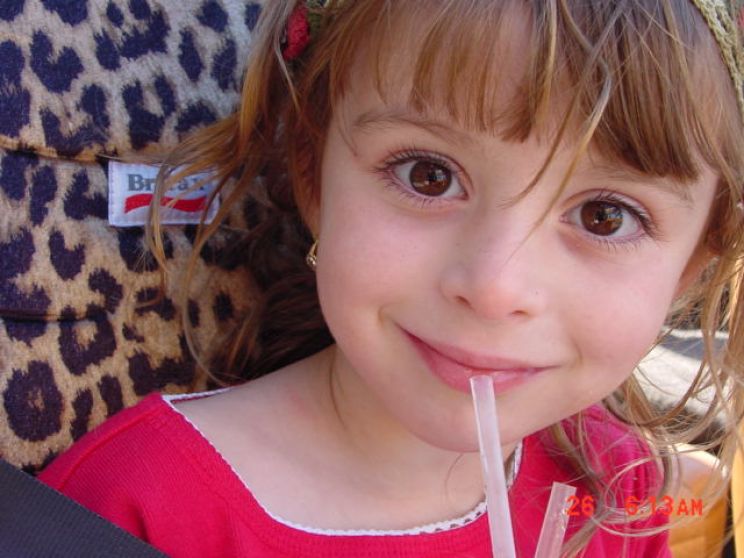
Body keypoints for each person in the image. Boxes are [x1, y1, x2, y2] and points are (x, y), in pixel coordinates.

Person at [39, 1, 744, 556]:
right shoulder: (137, 507)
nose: (494, 288)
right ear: (314, 175)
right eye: (428, 175)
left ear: (691, 266)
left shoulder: (619, 485)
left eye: (604, 216)